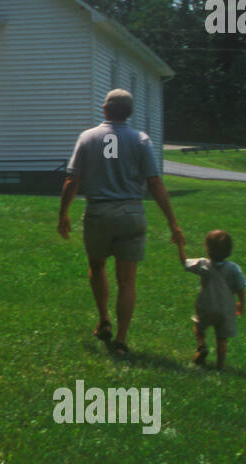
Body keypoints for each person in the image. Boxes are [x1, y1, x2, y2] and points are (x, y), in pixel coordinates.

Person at [57, 88, 183, 356]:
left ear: (105, 110)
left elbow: (72, 179)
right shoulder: (141, 140)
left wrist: (63, 214)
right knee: (127, 281)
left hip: (99, 213)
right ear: (129, 113)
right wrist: (172, 222)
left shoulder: (88, 138)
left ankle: (104, 320)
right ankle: (122, 340)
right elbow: (154, 182)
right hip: (131, 214)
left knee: (97, 265)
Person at [178, 229, 246, 370]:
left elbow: (184, 262)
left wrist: (180, 245)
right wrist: (241, 304)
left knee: (198, 327)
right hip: (226, 309)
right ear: (229, 250)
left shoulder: (204, 264)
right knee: (222, 339)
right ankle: (220, 367)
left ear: (208, 249)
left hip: (206, 306)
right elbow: (240, 287)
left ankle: (202, 345)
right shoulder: (234, 268)